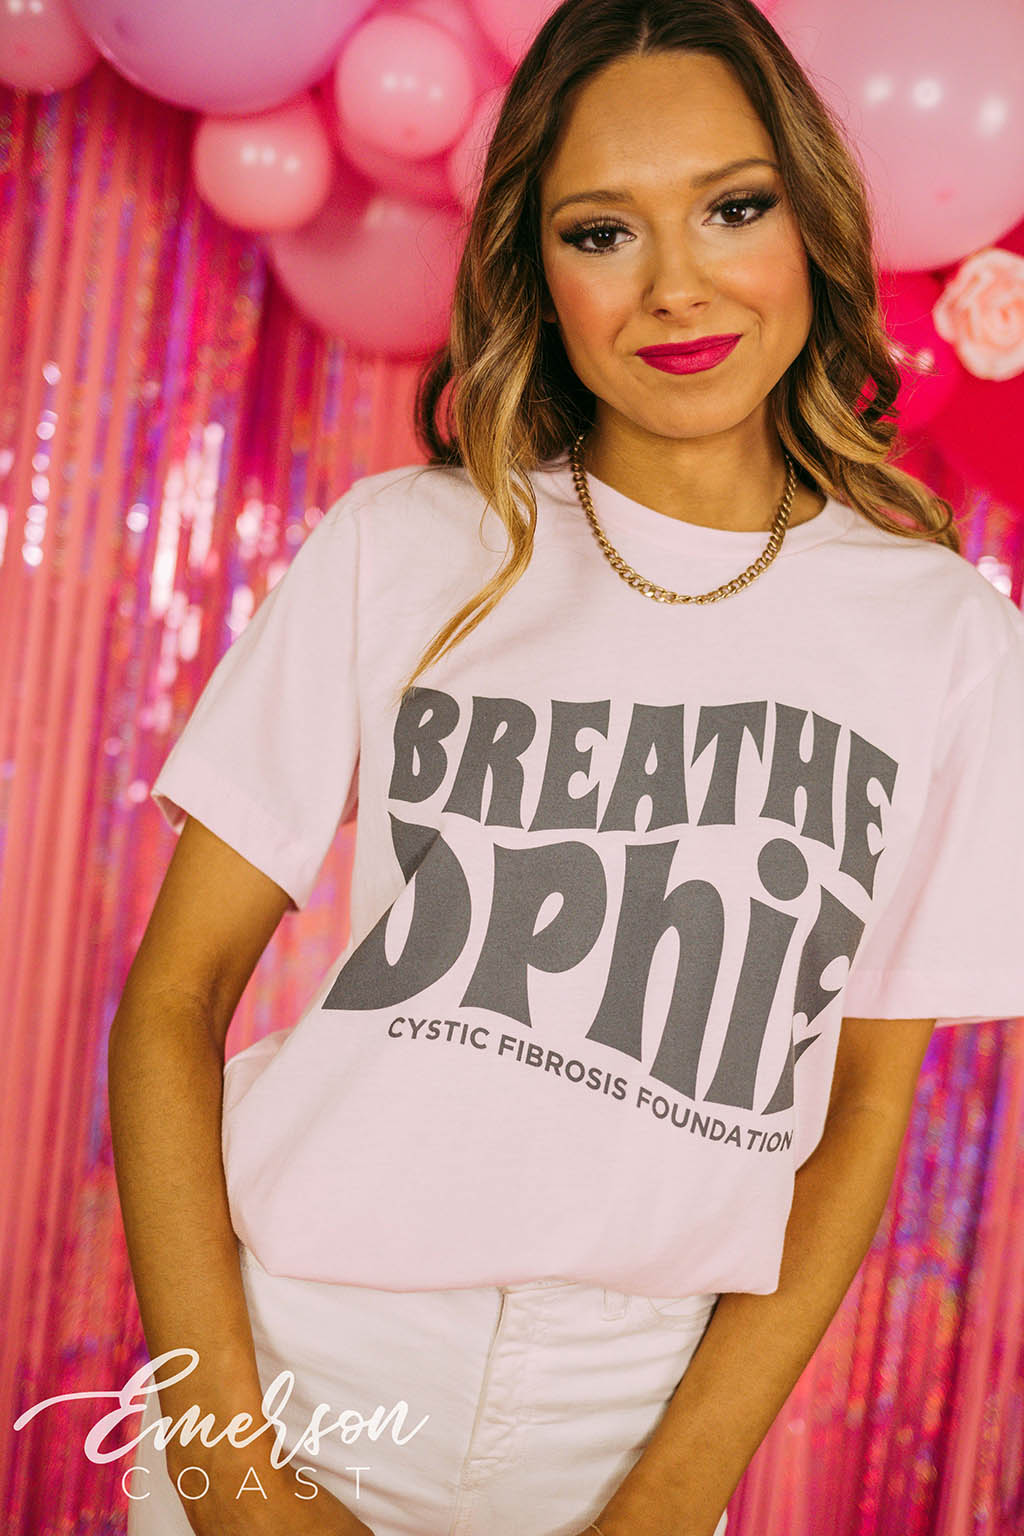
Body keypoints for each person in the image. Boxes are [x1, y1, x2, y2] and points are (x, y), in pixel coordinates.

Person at [108, 1, 1024, 1533]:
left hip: (637, 1413)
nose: (677, 285)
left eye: (734, 207)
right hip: (310, 1363)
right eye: (603, 231)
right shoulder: (409, 547)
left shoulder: (941, 635)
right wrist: (228, 1470)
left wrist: (670, 1499)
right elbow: (174, 1003)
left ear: (811, 223)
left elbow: (865, 1111)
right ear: (536, 268)